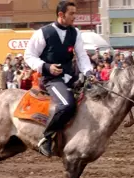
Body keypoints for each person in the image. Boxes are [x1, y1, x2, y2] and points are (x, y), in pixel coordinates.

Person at [24, 1, 93, 157]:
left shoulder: (75, 33)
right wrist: (47, 67)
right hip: (51, 80)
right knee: (67, 104)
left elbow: (82, 56)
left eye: (75, 13)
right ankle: (46, 138)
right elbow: (29, 56)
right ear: (61, 15)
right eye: (72, 14)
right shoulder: (43, 33)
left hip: (71, 77)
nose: (75, 17)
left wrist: (88, 72)